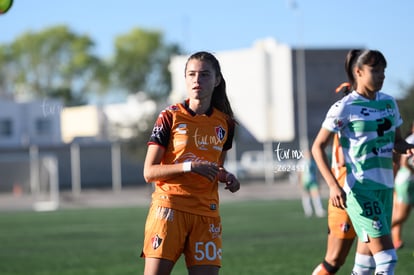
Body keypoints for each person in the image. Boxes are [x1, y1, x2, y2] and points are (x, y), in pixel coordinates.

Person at [311, 49, 414, 275]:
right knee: (386, 260)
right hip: (360, 189)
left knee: (364, 265)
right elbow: (317, 147)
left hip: (386, 188)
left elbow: (397, 142)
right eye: (375, 70)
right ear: (358, 72)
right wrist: (332, 185)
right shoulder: (345, 107)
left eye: (383, 71)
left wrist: (408, 148)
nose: (381, 76)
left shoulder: (389, 103)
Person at [140, 51, 240, 275]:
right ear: (185, 79)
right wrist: (189, 166)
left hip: (207, 214)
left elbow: (216, 168)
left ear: (216, 80)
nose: (197, 80)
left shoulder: (225, 124)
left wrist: (227, 177)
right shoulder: (169, 116)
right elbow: (149, 172)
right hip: (169, 209)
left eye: (204, 75)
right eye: (191, 74)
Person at [312, 82, 360, 275]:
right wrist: (333, 185)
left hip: (370, 193)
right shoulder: (344, 117)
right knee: (334, 260)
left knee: (377, 256)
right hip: (345, 195)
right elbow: (318, 148)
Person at [391, 121, 414, 249]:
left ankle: (396, 240)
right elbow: (404, 162)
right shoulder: (411, 140)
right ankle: (378, 233)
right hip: (406, 182)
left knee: (401, 215)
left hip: (410, 182)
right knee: (401, 216)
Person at [297, 150, 326, 218]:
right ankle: (308, 211)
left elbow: (317, 172)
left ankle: (319, 210)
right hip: (305, 181)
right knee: (306, 196)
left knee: (316, 196)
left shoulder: (313, 162)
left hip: (313, 181)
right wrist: (300, 182)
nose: (308, 155)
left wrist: (318, 181)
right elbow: (299, 173)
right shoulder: (301, 162)